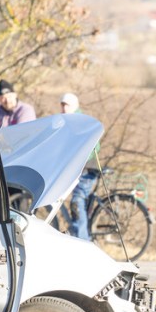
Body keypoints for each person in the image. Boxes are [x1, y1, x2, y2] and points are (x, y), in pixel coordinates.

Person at [59, 92, 99, 240]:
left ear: (74, 106)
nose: (63, 108)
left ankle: (83, 241)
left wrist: (78, 159)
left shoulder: (82, 122)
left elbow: (95, 145)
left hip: (87, 170)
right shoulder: (66, 122)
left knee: (77, 201)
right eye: (62, 105)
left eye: (66, 105)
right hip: (75, 170)